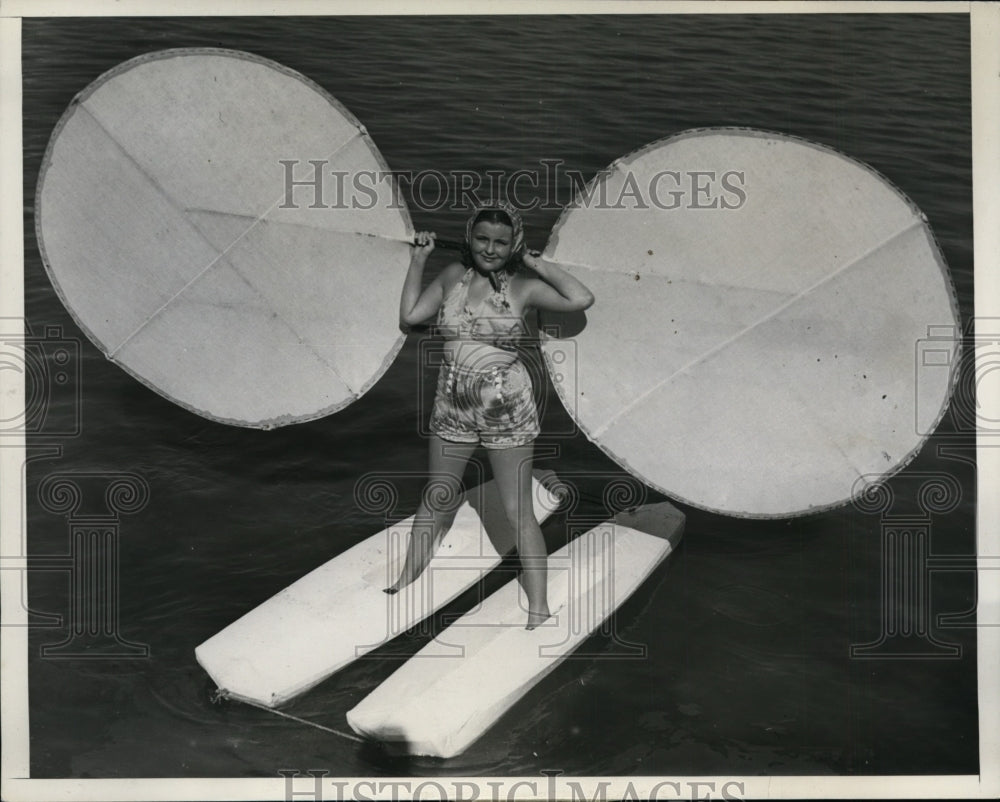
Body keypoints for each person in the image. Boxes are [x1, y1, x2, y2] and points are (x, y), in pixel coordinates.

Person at [387, 200, 594, 630]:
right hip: (452, 404)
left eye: (501, 242)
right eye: (482, 238)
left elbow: (581, 298)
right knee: (438, 495)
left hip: (506, 409)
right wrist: (418, 260)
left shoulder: (523, 287)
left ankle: (539, 606)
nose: (490, 249)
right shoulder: (450, 278)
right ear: (469, 238)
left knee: (516, 510)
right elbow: (410, 318)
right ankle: (406, 578)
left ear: (512, 244)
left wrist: (537, 262)